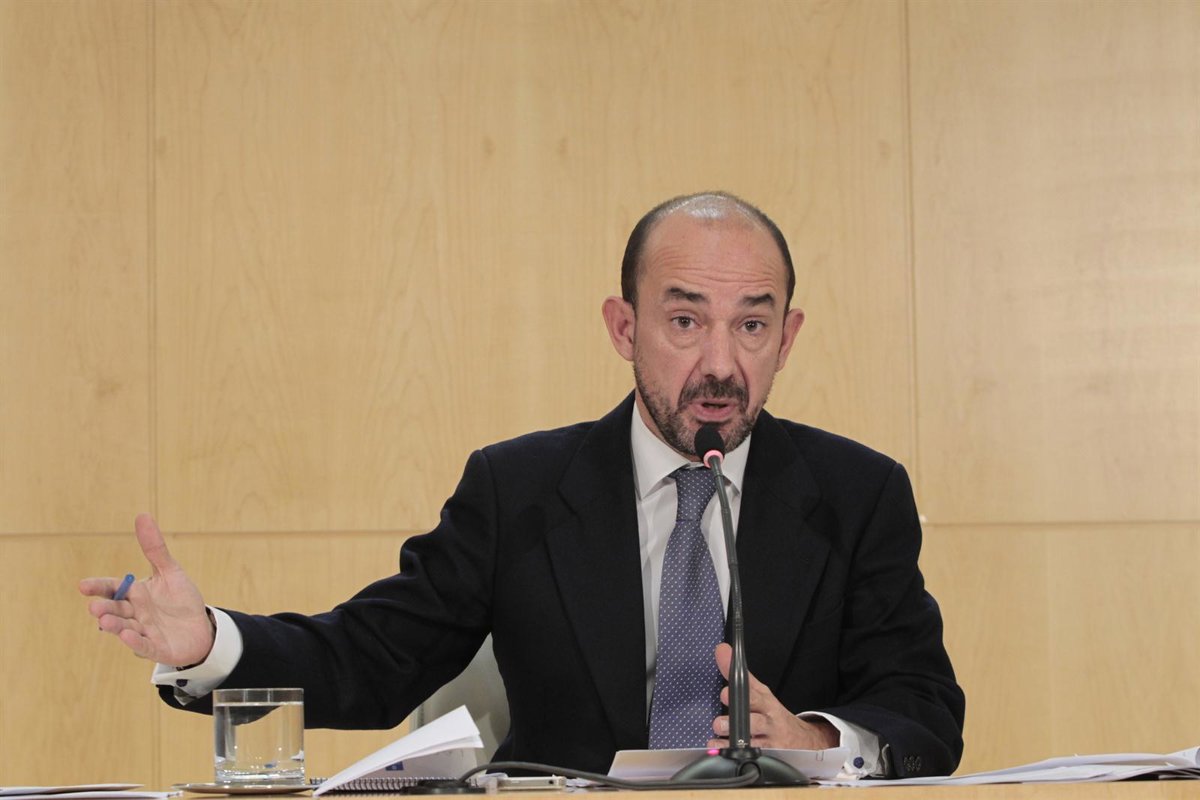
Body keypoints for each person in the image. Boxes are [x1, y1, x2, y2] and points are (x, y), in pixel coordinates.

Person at [81, 191, 964, 779]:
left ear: (789, 336)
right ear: (624, 327)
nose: (721, 366)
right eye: (685, 320)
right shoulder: (519, 491)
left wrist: (816, 742)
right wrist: (209, 643)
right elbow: (375, 660)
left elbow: (924, 707)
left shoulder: (857, 496)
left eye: (753, 326)